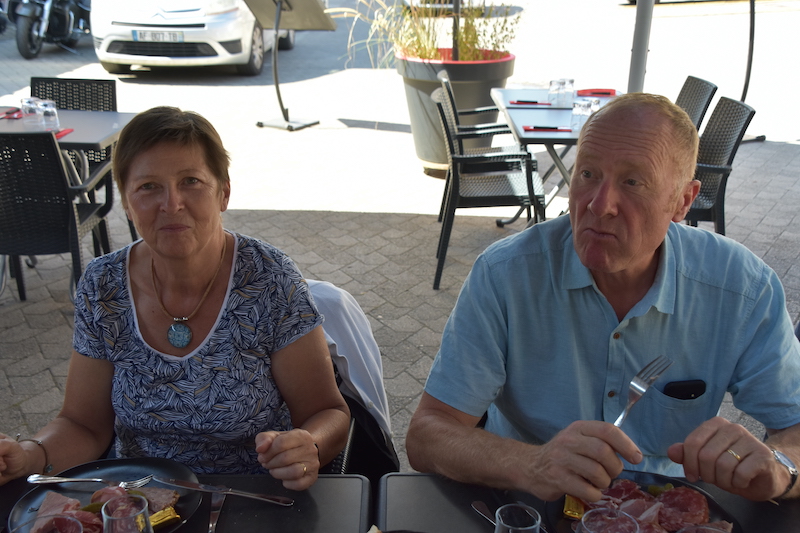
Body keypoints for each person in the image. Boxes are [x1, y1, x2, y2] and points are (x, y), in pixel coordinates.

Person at [406, 93, 800, 504]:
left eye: (633, 182)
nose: (599, 204)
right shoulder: (507, 275)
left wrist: (781, 469)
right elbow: (428, 434)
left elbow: (795, 429)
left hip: (667, 512)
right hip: (530, 507)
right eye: (588, 173)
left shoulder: (740, 290)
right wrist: (532, 464)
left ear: (683, 201)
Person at [0, 106, 350, 491]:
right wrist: (29, 455)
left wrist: (307, 445)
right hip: (136, 502)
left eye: (191, 181)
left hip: (251, 499)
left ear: (223, 192)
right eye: (149, 187)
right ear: (127, 203)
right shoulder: (103, 286)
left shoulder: (269, 279)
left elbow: (327, 411)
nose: (171, 204)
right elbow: (83, 424)